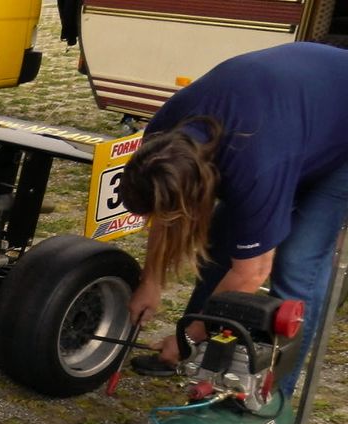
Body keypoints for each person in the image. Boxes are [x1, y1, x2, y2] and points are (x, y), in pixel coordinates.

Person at [120, 42, 348, 396]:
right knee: (222, 243)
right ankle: (199, 357)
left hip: (337, 132)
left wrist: (187, 337)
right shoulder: (162, 139)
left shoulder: (254, 168)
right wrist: (150, 281)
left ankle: (272, 398)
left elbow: (252, 272)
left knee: (297, 262)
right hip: (292, 113)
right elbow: (167, 213)